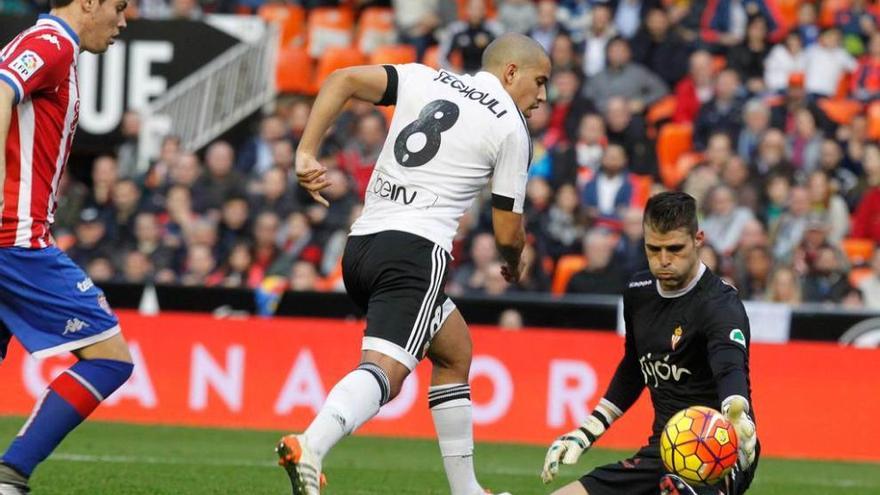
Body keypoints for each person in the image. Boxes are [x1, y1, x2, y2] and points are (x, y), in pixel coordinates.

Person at [279, 33, 550, 495]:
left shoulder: (423, 78)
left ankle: (466, 490)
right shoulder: (510, 127)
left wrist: (305, 152)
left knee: (454, 351)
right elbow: (507, 232)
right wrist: (514, 262)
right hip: (416, 253)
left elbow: (342, 78)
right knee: (387, 370)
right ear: (510, 73)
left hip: (362, 245)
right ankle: (312, 443)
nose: (542, 97)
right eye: (539, 82)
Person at [541, 192, 758, 495]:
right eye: (653, 249)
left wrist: (736, 411)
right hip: (664, 449)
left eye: (674, 248)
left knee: (677, 490)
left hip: (718, 450)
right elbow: (634, 367)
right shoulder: (638, 291)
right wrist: (587, 432)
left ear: (698, 239)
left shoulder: (720, 304)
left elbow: (729, 367)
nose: (664, 260)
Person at [0, 1, 133, 493]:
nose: (122, 22)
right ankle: (11, 475)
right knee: (110, 357)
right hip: (14, 240)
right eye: (118, 8)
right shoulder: (51, 43)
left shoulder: (54, 49)